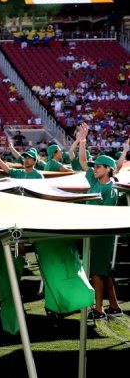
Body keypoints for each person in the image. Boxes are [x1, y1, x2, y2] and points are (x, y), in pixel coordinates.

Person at [76, 124, 123, 319]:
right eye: (94, 166)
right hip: (94, 232)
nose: (94, 168)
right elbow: (82, 161)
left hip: (102, 234)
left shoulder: (110, 188)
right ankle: (114, 307)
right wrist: (83, 139)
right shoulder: (95, 181)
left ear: (108, 169)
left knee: (96, 272)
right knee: (103, 272)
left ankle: (98, 310)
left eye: (98, 167)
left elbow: (105, 215)